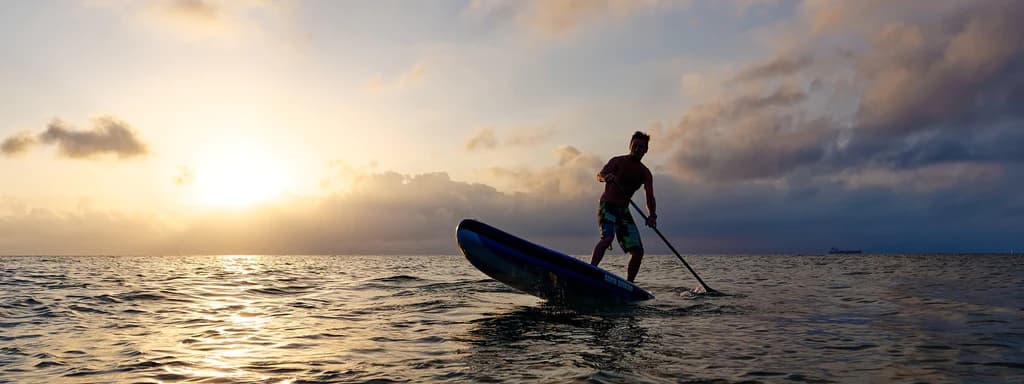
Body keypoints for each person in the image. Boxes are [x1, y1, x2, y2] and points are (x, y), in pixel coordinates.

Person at [590, 131, 656, 282]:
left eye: (641, 147)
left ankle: (629, 285)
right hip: (608, 206)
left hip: (623, 212)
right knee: (607, 239)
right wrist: (606, 177)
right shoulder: (617, 161)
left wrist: (652, 215)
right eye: (635, 145)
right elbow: (600, 175)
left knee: (638, 251)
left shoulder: (645, 173)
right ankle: (591, 269)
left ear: (646, 150)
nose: (637, 149)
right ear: (630, 146)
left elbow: (650, 196)